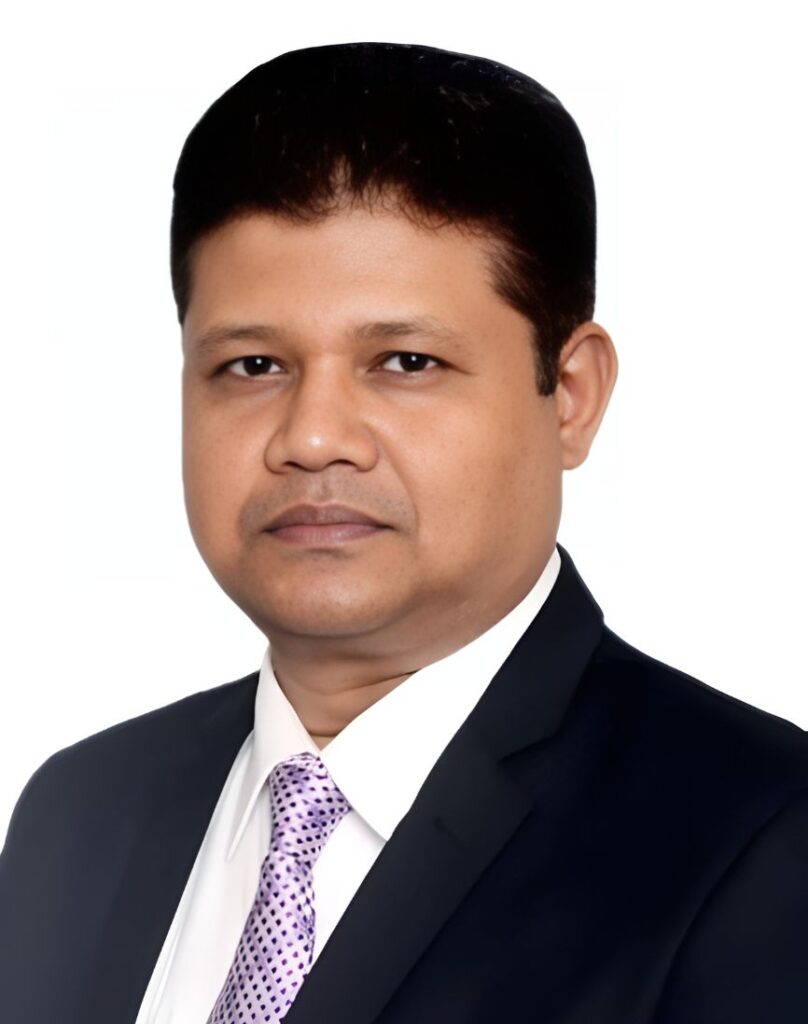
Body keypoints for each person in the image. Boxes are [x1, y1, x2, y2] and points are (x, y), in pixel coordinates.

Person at [0, 39, 806, 1024]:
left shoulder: (759, 843)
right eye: (253, 366)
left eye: (406, 362)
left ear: (571, 395)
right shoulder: (78, 815)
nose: (312, 437)